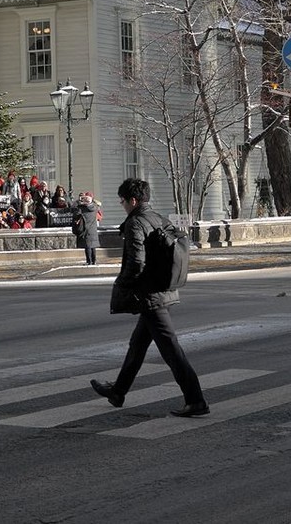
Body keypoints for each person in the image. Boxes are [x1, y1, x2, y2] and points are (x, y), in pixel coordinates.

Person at [90, 178, 208, 417]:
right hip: (163, 290)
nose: (122, 205)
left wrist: (122, 283)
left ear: (133, 200)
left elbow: (136, 262)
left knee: (171, 350)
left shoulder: (136, 223)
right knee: (138, 344)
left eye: (122, 201)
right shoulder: (157, 217)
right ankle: (118, 391)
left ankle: (196, 400)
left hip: (151, 295)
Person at [72, 192, 100, 265]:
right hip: (93, 230)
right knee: (92, 246)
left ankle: (89, 261)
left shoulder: (82, 208)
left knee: (87, 246)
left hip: (86, 229)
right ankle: (94, 261)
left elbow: (76, 213)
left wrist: (79, 203)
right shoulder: (95, 207)